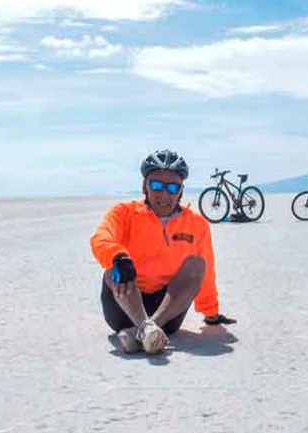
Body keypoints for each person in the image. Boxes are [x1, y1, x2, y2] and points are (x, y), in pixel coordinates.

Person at [90, 149, 236, 354]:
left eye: (172, 187)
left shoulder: (196, 225)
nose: (164, 194)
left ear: (181, 191)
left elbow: (206, 270)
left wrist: (210, 312)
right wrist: (118, 256)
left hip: (168, 312)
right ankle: (145, 328)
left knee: (196, 264)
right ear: (144, 186)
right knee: (113, 270)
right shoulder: (124, 213)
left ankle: (144, 331)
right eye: (156, 185)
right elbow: (101, 237)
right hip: (124, 306)